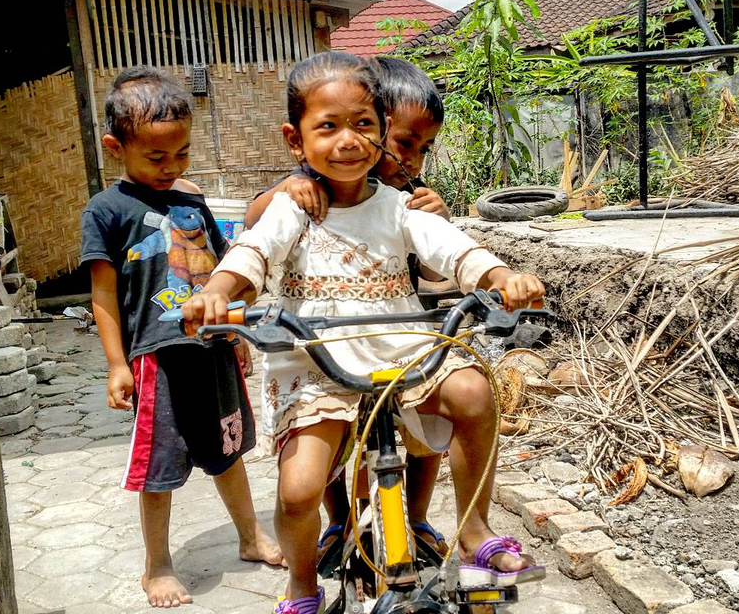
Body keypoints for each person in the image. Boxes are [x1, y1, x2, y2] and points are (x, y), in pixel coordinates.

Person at [181, 51, 546, 614]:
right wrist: (217, 292)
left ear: (380, 133)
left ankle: (473, 529)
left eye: (363, 125)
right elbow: (252, 254)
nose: (347, 140)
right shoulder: (293, 207)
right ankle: (302, 584)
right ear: (295, 139)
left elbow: (449, 248)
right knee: (300, 487)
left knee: (474, 390)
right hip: (317, 359)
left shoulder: (401, 207)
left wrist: (500, 276)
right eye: (327, 127)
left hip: (404, 346)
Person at [80, 66, 283, 609]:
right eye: (156, 157)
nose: (171, 167)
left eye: (182, 154)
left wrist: (237, 328)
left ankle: (250, 536)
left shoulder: (193, 204)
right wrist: (116, 363)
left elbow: (227, 268)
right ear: (114, 147)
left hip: (214, 351)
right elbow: (103, 295)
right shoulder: (106, 211)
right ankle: (158, 566)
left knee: (228, 449)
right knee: (158, 467)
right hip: (156, 359)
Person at [243, 56, 452, 563]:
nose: (414, 160)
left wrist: (439, 221)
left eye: (424, 148)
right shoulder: (308, 187)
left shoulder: (405, 200)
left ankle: (416, 518)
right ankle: (339, 521)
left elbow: (437, 273)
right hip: (333, 339)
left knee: (424, 437)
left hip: (403, 329)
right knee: (332, 440)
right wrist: (284, 189)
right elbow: (255, 226)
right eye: (404, 143)